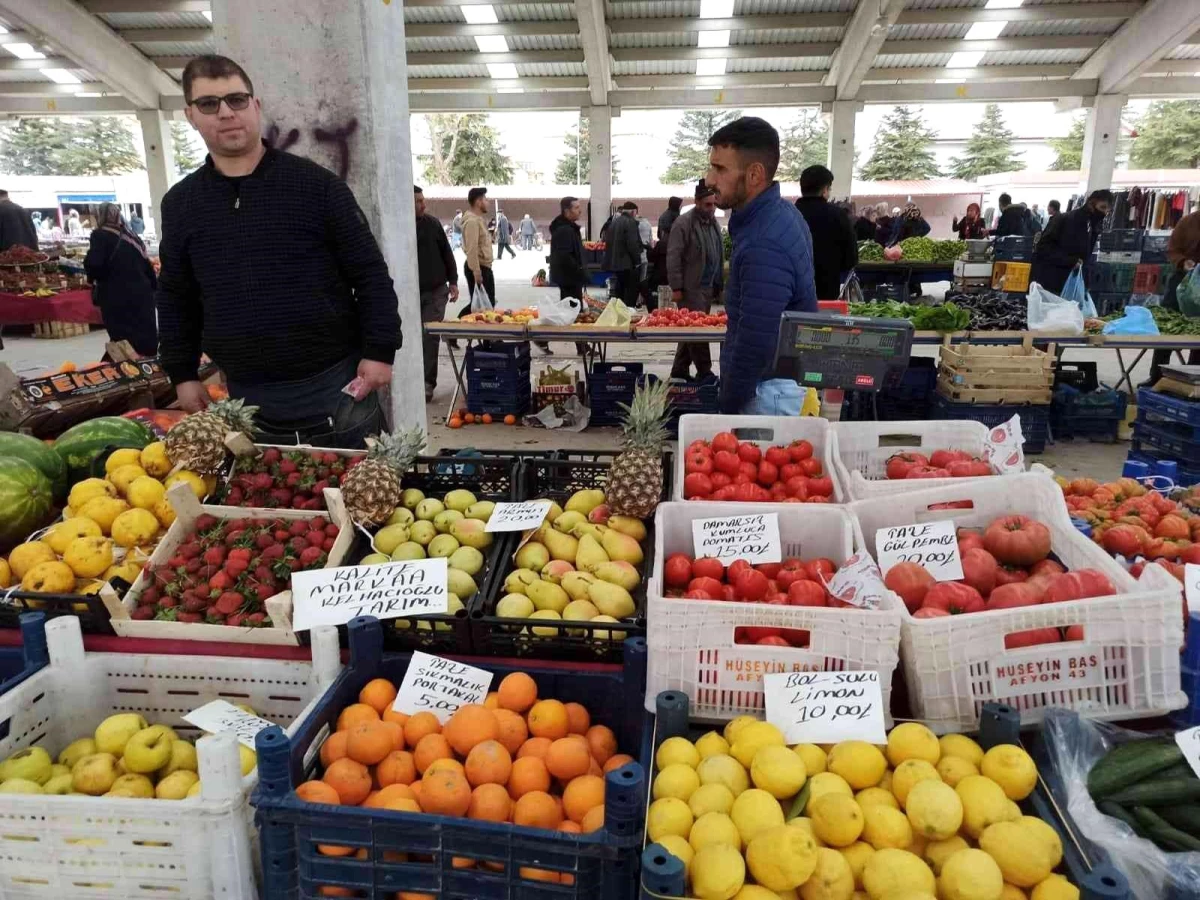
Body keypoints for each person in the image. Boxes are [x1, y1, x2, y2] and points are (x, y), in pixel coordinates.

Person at [155, 54, 400, 448]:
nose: (226, 113)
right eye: (209, 104)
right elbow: (175, 297)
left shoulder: (317, 187)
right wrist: (182, 374)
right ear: (191, 116)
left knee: (365, 488)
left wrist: (380, 351)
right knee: (260, 491)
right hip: (244, 399)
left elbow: (370, 274)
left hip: (336, 388)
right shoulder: (181, 204)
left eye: (236, 100)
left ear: (255, 106)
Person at [705, 116, 816, 415]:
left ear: (754, 174)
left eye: (720, 169)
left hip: (766, 395)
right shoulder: (782, 213)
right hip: (780, 385)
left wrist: (728, 404)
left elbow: (755, 341)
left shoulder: (763, 240)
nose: (709, 180)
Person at [667, 180, 724, 381]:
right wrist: (676, 287)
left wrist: (719, 283)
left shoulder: (712, 223)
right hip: (690, 288)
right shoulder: (683, 223)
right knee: (698, 331)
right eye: (708, 204)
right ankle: (705, 371)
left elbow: (718, 253)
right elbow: (673, 256)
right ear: (697, 202)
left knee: (690, 330)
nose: (712, 208)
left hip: (707, 287)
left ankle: (679, 370)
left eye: (714, 204)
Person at [85, 202, 157, 356]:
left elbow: (94, 264)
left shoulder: (100, 235)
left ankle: (126, 367)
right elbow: (148, 267)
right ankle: (150, 365)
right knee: (145, 337)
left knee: (122, 340)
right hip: (142, 296)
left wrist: (91, 277)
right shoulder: (132, 236)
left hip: (117, 297)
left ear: (100, 216)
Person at [414, 185, 458, 403]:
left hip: (435, 291)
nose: (424, 205)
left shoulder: (432, 224)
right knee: (409, 338)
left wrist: (454, 281)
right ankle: (411, 380)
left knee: (429, 337)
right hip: (408, 293)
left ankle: (427, 383)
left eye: (423, 200)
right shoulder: (397, 226)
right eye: (418, 201)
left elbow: (447, 253)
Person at [1146, 209, 1200, 384]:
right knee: (1168, 324)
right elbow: (1173, 250)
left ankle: (1193, 378)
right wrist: (1183, 262)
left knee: (1198, 330)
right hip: (1181, 279)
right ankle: (1156, 376)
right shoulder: (1187, 222)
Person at [1030, 189, 1114, 295]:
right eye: (1102, 207)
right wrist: (1070, 261)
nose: (1105, 212)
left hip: (1070, 283)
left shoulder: (1091, 225)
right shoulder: (1065, 220)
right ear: (1091, 204)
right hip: (1052, 283)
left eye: (1108, 210)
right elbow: (1043, 248)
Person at [794, 164, 857, 301]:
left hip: (792, 291)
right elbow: (851, 258)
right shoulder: (838, 216)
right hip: (827, 292)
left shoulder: (788, 214)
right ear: (824, 190)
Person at [461, 186, 495, 315]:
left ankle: (460, 323)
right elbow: (472, 249)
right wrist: (476, 271)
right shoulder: (472, 222)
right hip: (478, 267)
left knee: (484, 304)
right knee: (481, 305)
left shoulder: (478, 220)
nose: (488, 202)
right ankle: (457, 324)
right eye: (485, 199)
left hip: (484, 266)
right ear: (478, 202)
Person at [606, 202, 645, 308]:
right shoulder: (630, 222)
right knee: (630, 291)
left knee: (620, 289)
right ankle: (627, 311)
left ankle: (619, 310)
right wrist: (637, 261)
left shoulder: (614, 221)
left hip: (616, 263)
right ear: (632, 212)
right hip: (627, 264)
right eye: (636, 213)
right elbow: (632, 244)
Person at [637, 211, 653, 307]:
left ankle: (637, 300)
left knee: (636, 280)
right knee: (643, 280)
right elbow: (651, 241)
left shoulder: (636, 225)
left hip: (637, 257)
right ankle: (641, 299)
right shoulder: (648, 224)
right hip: (645, 256)